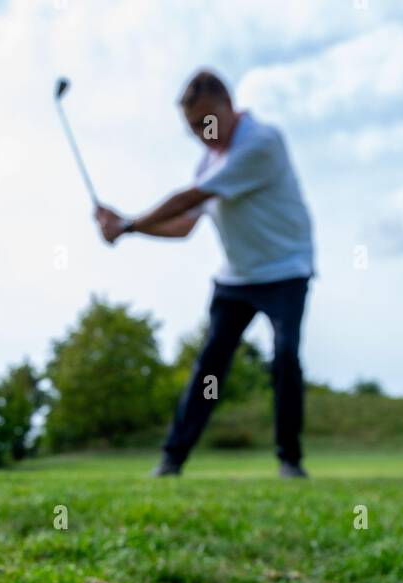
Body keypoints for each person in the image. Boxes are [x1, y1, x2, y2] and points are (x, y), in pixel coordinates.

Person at [96, 69, 315, 478]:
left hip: (286, 269)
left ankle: (290, 460)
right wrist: (128, 227)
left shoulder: (262, 143)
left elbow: (190, 199)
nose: (203, 132)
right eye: (194, 127)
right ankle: (172, 459)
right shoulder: (208, 163)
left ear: (230, 106)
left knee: (284, 356)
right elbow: (183, 226)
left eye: (207, 120)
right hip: (237, 277)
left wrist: (127, 224)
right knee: (210, 366)